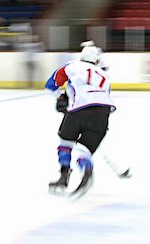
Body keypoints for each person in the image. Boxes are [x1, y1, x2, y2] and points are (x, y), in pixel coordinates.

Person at [45, 41, 116, 197]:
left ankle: (64, 177)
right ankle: (87, 171)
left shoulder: (72, 66)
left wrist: (60, 98)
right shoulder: (104, 75)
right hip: (103, 114)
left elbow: (50, 85)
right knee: (84, 150)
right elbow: (104, 97)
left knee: (65, 141)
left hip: (79, 109)